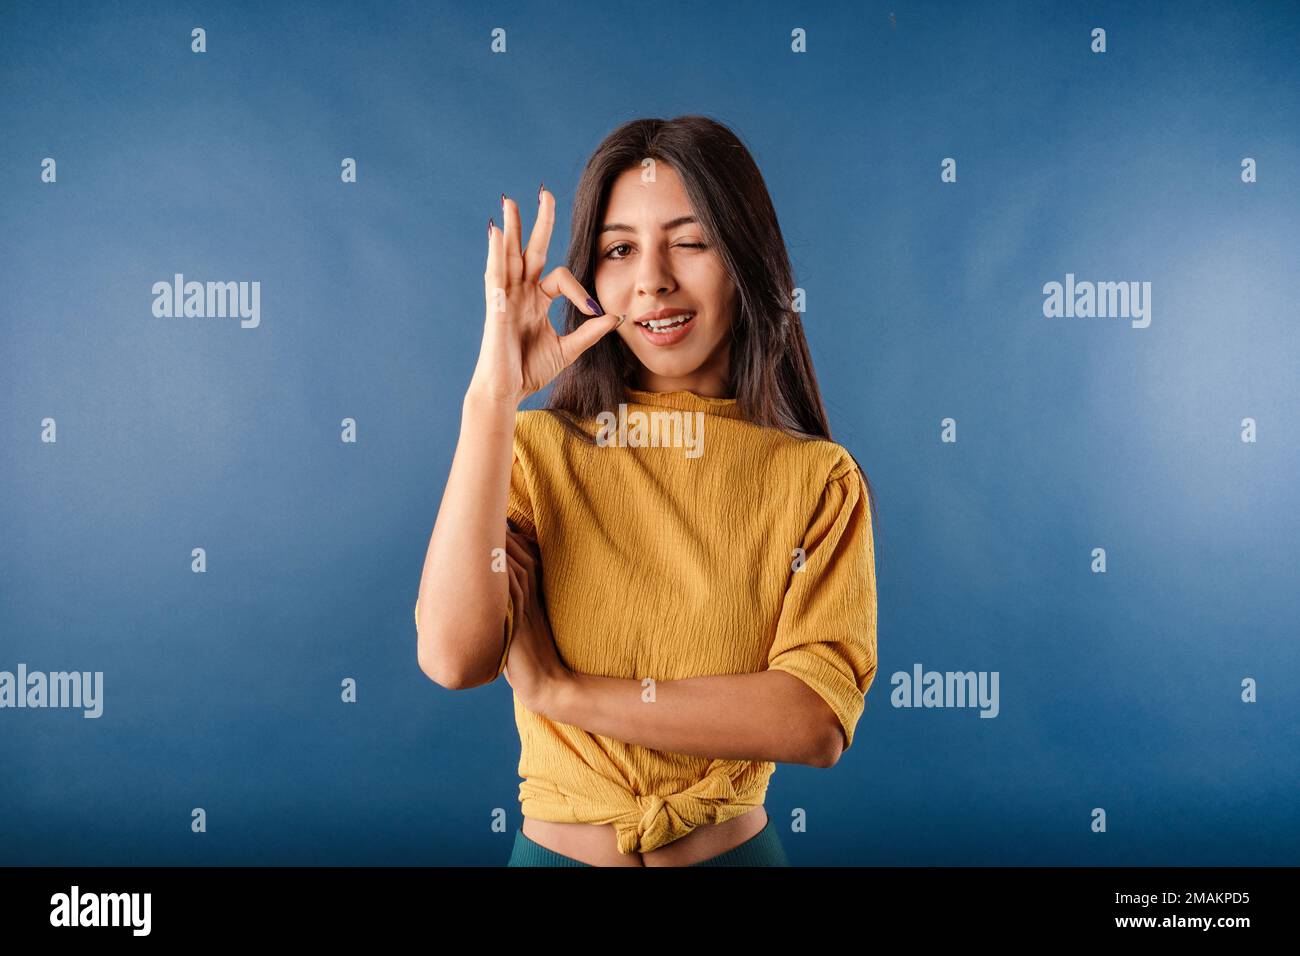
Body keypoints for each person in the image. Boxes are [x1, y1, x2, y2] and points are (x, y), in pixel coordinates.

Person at [415, 115, 880, 867]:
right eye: (619, 249)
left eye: (690, 242)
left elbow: (814, 719)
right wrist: (493, 399)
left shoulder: (817, 477)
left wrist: (564, 693)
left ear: (745, 261)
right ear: (592, 277)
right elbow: (452, 657)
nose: (652, 279)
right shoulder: (534, 453)